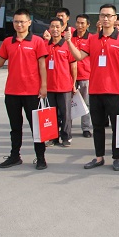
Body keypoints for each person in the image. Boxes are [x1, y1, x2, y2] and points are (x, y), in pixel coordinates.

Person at [0, 8, 49, 170]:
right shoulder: (7, 42)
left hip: (32, 92)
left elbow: (42, 65)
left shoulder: (37, 41)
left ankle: (40, 158)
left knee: (36, 128)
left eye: (22, 22)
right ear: (13, 23)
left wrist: (44, 86)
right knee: (15, 127)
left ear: (29, 23)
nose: (19, 24)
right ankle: (15, 156)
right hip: (12, 92)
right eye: (16, 21)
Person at [65, 4, 119, 172]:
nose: (105, 18)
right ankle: (99, 157)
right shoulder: (92, 39)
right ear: (99, 18)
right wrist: (68, 41)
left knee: (116, 127)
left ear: (115, 18)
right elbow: (79, 56)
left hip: (114, 91)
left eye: (109, 15)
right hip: (95, 90)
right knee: (98, 126)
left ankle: (116, 157)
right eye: (102, 15)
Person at [45, 18, 77, 148]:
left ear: (62, 28)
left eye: (57, 26)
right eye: (52, 26)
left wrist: (73, 84)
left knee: (65, 113)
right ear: (49, 28)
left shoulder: (68, 45)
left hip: (64, 86)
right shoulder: (44, 45)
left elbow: (74, 66)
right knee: (51, 114)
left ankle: (66, 136)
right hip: (49, 86)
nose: (55, 29)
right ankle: (52, 137)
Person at [72, 14, 93, 137]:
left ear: (88, 25)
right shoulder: (69, 37)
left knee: (86, 103)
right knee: (67, 103)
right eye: (78, 22)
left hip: (86, 74)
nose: (79, 25)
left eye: (82, 23)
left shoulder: (91, 38)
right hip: (70, 75)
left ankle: (85, 128)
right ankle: (66, 128)